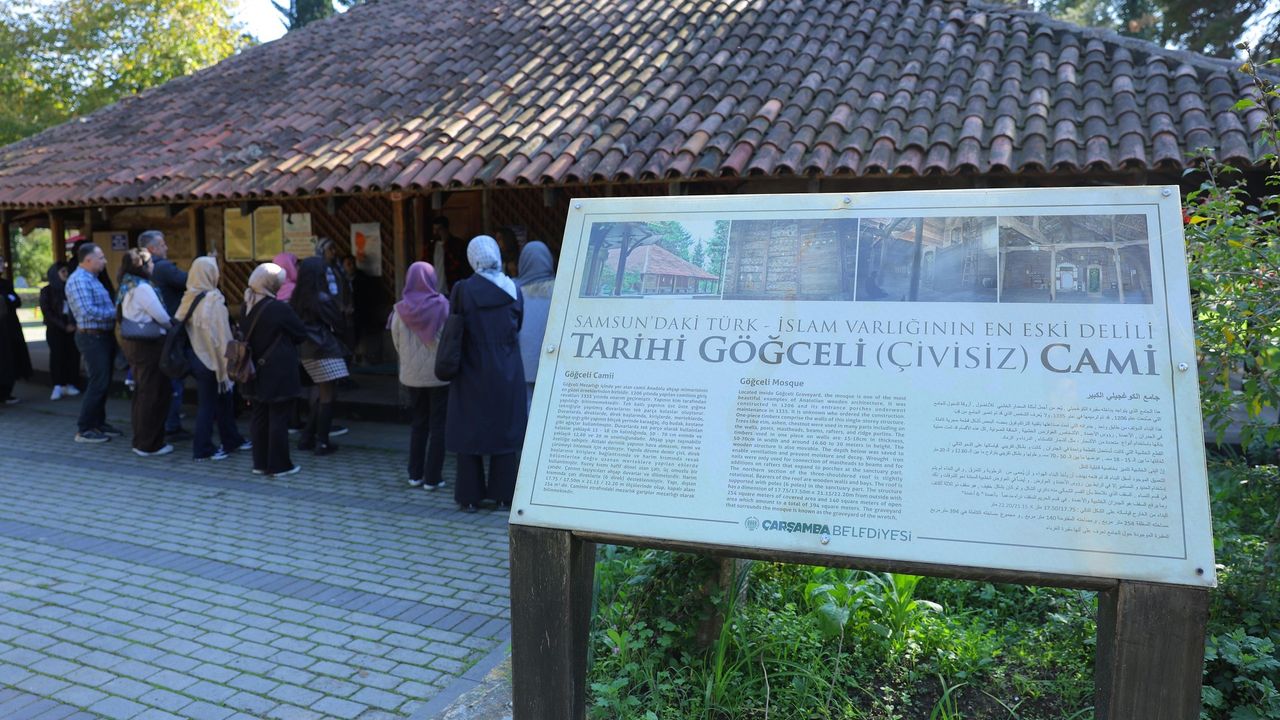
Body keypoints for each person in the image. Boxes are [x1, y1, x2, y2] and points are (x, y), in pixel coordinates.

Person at [445, 236, 526, 512]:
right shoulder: (514, 289)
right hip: (507, 366)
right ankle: (504, 494)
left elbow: (454, 325)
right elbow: (518, 325)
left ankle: (470, 496)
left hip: (470, 366)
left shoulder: (462, 289)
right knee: (505, 431)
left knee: (470, 430)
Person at [241, 263, 308, 477]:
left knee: (259, 416)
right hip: (277, 370)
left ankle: (260, 463)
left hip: (253, 370)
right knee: (278, 417)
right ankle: (279, 465)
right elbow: (301, 333)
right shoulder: (279, 308)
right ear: (272, 284)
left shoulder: (246, 304)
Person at [179, 257, 248, 461]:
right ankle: (203, 448)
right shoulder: (213, 300)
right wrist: (227, 363)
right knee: (209, 405)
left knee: (221, 401)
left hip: (196, 357)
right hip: (212, 359)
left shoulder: (189, 296)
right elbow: (222, 336)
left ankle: (231, 439)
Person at [389, 262, 449, 490]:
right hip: (439, 376)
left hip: (412, 377)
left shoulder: (400, 310)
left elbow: (396, 342)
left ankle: (415, 475)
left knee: (418, 423)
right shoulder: (443, 305)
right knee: (438, 426)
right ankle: (433, 478)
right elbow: (449, 340)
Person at [116, 248, 173, 456]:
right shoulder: (142, 288)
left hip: (134, 344)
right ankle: (149, 444)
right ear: (142, 266)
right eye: (150, 262)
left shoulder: (127, 284)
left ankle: (141, 440)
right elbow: (161, 316)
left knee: (142, 393)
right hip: (148, 346)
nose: (153, 265)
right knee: (153, 394)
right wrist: (172, 329)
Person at [291, 256, 349, 455]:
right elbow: (339, 323)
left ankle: (307, 438)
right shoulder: (322, 298)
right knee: (328, 395)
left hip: (307, 350)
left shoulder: (297, 297)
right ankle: (322, 442)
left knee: (320, 393)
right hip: (325, 348)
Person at [64, 242, 121, 443]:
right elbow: (87, 311)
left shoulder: (92, 278)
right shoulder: (79, 280)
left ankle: (98, 423)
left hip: (101, 336)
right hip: (92, 337)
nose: (105, 261)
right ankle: (85, 428)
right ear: (88, 260)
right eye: (101, 257)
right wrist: (117, 313)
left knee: (103, 382)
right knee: (98, 381)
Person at [139, 230, 190, 439]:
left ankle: (164, 422)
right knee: (174, 377)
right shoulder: (163, 267)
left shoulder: (141, 270)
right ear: (152, 249)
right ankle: (172, 425)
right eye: (162, 244)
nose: (166, 247)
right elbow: (190, 281)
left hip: (153, 334)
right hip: (171, 330)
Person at [515, 241, 556, 410]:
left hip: (523, 363)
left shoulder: (513, 290)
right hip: (554, 361)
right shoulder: (561, 289)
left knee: (527, 407)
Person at [39, 262, 81, 400]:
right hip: (55, 328)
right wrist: (64, 326)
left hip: (72, 327)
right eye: (63, 271)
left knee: (73, 356)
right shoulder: (47, 291)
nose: (66, 274)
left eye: (67, 271)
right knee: (57, 356)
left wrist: (73, 324)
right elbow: (47, 312)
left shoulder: (71, 288)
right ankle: (58, 384)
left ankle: (70, 383)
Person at [0, 255, 33, 405]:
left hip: (10, 327)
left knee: (11, 358)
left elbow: (16, 301)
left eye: (2, 262)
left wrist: (7, 298)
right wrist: (8, 299)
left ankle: (6, 393)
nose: (3, 265)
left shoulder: (6, 283)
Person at [429, 216, 471, 291]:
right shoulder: (430, 247)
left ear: (446, 229)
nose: (436, 232)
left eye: (439, 229)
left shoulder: (458, 245)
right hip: (435, 288)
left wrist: (446, 245)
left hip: (452, 287)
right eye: (434, 229)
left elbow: (461, 265)